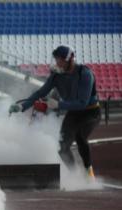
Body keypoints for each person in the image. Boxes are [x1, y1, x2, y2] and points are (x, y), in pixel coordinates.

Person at [9, 45, 101, 178]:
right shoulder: (56, 76)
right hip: (73, 113)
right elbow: (41, 92)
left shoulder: (85, 74)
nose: (57, 63)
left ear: (70, 60)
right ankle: (76, 175)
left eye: (60, 60)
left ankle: (88, 172)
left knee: (80, 136)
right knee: (62, 147)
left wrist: (58, 104)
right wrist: (22, 106)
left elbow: (82, 103)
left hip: (90, 112)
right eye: (56, 59)